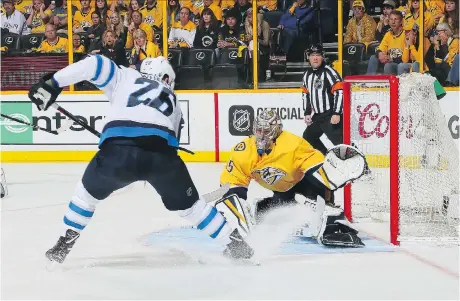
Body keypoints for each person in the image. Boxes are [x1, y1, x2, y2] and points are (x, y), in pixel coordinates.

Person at [28, 55, 254, 264]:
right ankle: (235, 244)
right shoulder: (173, 102)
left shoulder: (125, 75)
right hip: (161, 158)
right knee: (193, 208)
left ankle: (62, 246)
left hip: (118, 152)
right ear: (167, 78)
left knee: (85, 196)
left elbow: (93, 64)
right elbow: (168, 141)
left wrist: (53, 83)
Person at [219, 109, 367, 247]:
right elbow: (233, 185)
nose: (262, 135)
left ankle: (328, 218)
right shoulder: (243, 151)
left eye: (267, 131)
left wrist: (333, 179)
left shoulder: (293, 144)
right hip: (283, 190)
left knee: (316, 218)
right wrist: (234, 215)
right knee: (272, 216)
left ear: (276, 131)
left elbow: (318, 171)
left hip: (305, 184)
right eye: (259, 130)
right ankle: (267, 205)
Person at [302, 44, 343, 156]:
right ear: (308, 57)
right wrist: (307, 113)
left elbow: (340, 91)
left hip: (330, 115)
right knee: (307, 138)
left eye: (318, 55)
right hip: (318, 116)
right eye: (313, 55)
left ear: (322, 57)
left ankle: (359, 167)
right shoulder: (306, 75)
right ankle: (326, 159)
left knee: (342, 145)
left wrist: (337, 113)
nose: (315, 58)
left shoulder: (329, 72)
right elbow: (306, 94)